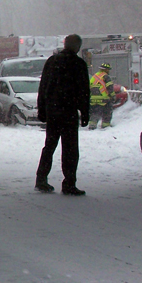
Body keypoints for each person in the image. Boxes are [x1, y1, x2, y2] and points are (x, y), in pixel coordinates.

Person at [35, 34, 90, 196]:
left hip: (53, 111)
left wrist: (42, 109)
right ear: (77, 47)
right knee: (70, 149)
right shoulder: (79, 64)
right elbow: (83, 91)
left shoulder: (52, 62)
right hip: (69, 112)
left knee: (49, 146)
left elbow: (43, 86)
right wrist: (85, 112)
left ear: (65, 44)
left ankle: (41, 179)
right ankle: (69, 183)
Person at [89, 63, 115, 129]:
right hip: (103, 98)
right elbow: (110, 87)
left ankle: (92, 125)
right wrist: (112, 96)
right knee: (107, 111)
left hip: (93, 99)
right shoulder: (106, 77)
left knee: (94, 113)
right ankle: (105, 125)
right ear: (106, 70)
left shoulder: (94, 76)